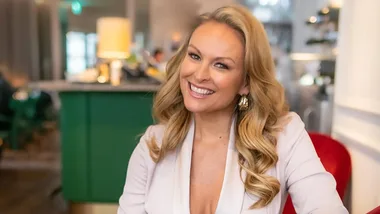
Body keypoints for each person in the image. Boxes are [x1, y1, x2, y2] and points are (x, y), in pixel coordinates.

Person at [118, 5, 348, 214]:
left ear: (246, 82)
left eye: (221, 65)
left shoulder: (284, 136)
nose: (199, 75)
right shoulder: (153, 144)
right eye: (195, 56)